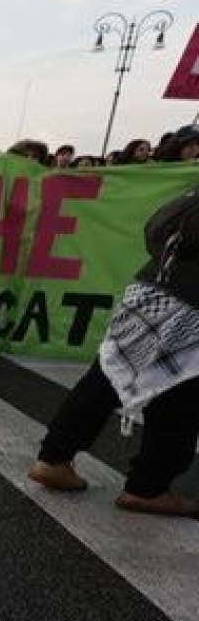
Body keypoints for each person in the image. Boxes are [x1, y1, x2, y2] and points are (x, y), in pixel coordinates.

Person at [29, 182, 199, 518]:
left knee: (109, 373)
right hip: (192, 303)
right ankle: (147, 487)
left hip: (152, 290)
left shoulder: (191, 195)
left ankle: (54, 456)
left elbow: (155, 229)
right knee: (182, 394)